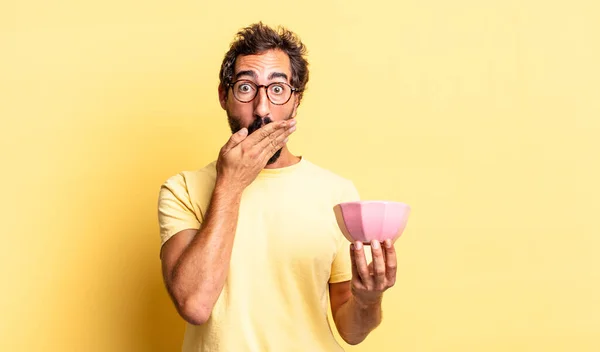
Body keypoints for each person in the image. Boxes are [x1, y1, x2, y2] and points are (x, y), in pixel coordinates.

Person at [157, 22, 398, 352]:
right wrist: (229, 185)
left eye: (278, 89)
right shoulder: (182, 190)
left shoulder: (337, 194)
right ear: (223, 96)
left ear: (296, 100)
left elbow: (351, 331)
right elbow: (195, 305)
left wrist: (369, 300)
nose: (262, 108)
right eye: (245, 88)